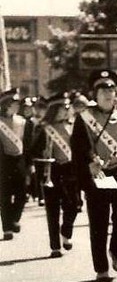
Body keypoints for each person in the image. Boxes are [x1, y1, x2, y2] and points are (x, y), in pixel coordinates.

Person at [71, 68, 117, 281]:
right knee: (99, 223)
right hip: (97, 176)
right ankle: (101, 268)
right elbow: (77, 148)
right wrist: (88, 166)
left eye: (111, 90)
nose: (108, 94)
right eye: (103, 91)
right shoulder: (85, 118)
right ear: (95, 95)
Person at [31, 93, 79, 257]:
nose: (67, 110)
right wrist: (42, 153)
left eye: (68, 107)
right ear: (55, 109)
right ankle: (55, 247)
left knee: (73, 205)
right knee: (52, 210)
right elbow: (33, 150)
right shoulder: (43, 128)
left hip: (70, 171)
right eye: (63, 107)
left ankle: (66, 232)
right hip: (51, 170)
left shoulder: (73, 126)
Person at [0, 88, 34, 240]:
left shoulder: (22, 122)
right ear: (6, 104)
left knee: (22, 194)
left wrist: (29, 163)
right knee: (5, 195)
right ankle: (7, 228)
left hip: (19, 160)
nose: (17, 105)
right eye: (14, 103)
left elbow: (27, 145)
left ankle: (14, 218)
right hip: (3, 162)